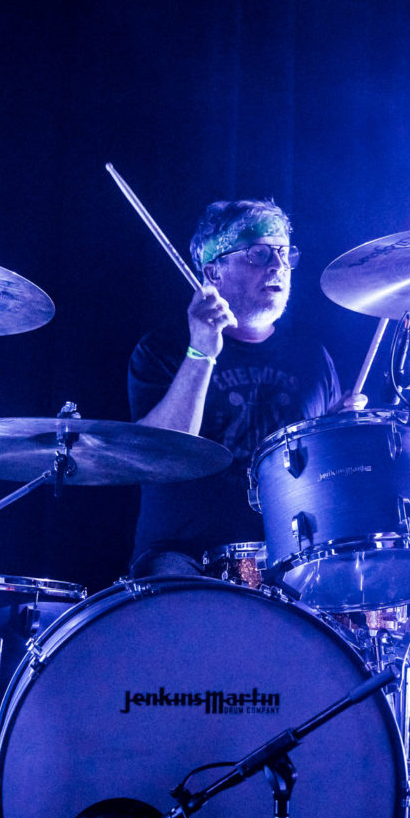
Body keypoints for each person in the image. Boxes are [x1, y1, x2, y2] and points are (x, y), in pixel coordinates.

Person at [128, 199, 359, 577]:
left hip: (290, 555)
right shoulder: (162, 349)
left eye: (285, 254)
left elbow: (324, 477)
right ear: (212, 271)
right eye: (258, 254)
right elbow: (161, 455)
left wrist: (336, 434)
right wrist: (200, 350)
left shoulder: (312, 357)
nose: (278, 266)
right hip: (184, 556)